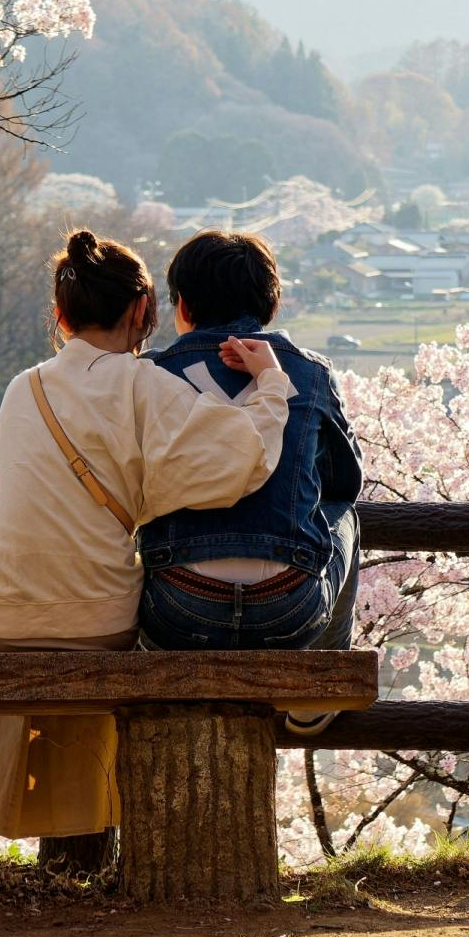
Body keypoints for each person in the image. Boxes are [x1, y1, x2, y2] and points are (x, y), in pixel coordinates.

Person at [0, 229, 297, 841]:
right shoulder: (145, 385)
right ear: (142, 311)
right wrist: (271, 385)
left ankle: (19, 817)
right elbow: (237, 460)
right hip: (92, 618)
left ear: (60, 317)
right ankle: (87, 826)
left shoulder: (22, 388)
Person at [135, 230, 364, 735]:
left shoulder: (148, 374)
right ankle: (318, 688)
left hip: (177, 608)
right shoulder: (310, 372)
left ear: (182, 305)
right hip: (289, 608)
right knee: (344, 515)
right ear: (269, 304)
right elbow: (345, 482)